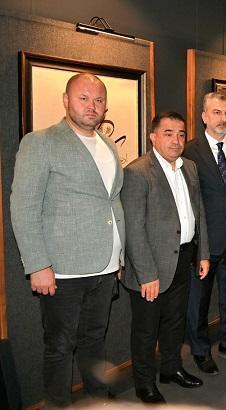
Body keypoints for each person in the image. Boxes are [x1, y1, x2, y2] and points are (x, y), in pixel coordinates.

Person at [10, 73, 123, 407]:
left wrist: (118, 255)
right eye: (83, 98)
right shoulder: (40, 142)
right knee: (59, 346)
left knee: (94, 339)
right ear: (65, 100)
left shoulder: (107, 144)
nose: (92, 106)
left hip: (105, 266)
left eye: (98, 100)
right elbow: (24, 207)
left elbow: (111, 201)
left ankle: (97, 399)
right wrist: (37, 265)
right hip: (62, 269)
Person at [121, 112, 210, 404]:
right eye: (168, 133)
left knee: (175, 321)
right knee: (146, 330)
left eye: (181, 134)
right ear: (153, 137)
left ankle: (171, 369)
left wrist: (203, 253)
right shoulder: (137, 172)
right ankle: (144, 383)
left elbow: (199, 212)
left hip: (183, 259)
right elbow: (133, 229)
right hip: (151, 267)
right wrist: (146, 274)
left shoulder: (190, 167)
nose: (176, 140)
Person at [183, 92, 226, 375]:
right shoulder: (189, 151)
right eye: (217, 112)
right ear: (204, 116)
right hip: (204, 241)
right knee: (198, 302)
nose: (224, 118)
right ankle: (200, 351)